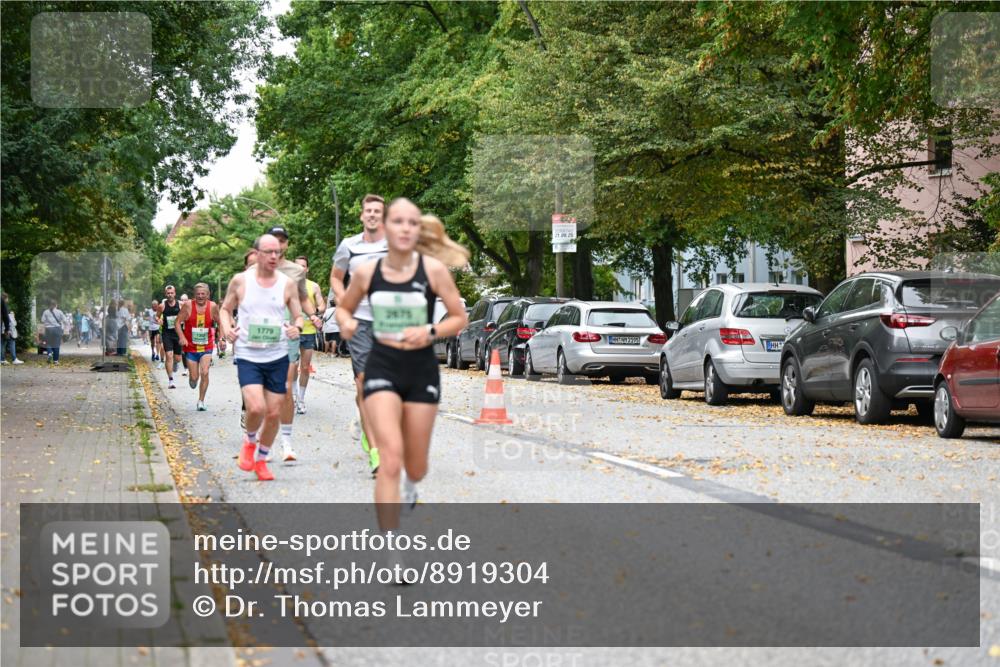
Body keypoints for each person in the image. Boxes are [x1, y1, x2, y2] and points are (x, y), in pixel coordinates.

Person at [336, 199, 468, 534]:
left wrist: (430, 331)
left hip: (421, 369)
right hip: (382, 366)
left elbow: (459, 317)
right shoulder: (367, 272)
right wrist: (346, 323)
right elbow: (345, 308)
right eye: (398, 221)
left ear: (418, 229)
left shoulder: (433, 270)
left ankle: (411, 484)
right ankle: (391, 547)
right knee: (390, 459)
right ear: (386, 227)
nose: (405, 228)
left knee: (417, 466)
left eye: (412, 222)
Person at [219, 234, 304, 481]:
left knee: (274, 413)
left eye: (277, 252)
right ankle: (249, 441)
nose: (274, 256)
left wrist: (296, 327)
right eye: (268, 252)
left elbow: (298, 315)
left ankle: (261, 459)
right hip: (249, 353)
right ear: (257, 254)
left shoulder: (287, 284)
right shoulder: (241, 281)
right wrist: (227, 328)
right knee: (256, 407)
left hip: (277, 354)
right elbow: (225, 309)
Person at [330, 194, 390, 475]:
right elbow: (335, 277)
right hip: (360, 322)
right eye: (369, 211)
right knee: (365, 384)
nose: (373, 215)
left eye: (378, 211)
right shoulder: (349, 245)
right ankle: (377, 453)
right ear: (362, 216)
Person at [263, 227, 325, 463]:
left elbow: (302, 298)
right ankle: (264, 438)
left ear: (287, 244)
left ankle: (286, 443)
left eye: (282, 240)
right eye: (274, 240)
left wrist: (313, 316)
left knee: (285, 387)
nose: (278, 244)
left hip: (288, 333)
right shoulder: (256, 268)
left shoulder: (295, 271)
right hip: (262, 334)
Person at [176, 283, 222, 411]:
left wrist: (221, 339)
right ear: (194, 295)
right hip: (191, 347)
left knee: (205, 372)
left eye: (203, 294)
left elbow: (220, 323)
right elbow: (177, 322)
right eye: (198, 294)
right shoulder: (188, 306)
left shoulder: (212, 306)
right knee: (194, 378)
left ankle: (201, 401)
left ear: (208, 295)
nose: (200, 296)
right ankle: (192, 379)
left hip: (206, 346)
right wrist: (182, 337)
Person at [293, 256, 325, 414]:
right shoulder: (287, 285)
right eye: (297, 266)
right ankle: (293, 396)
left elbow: (322, 305)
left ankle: (301, 399)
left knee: (305, 367)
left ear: (307, 269)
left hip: (309, 331)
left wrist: (315, 312)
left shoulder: (313, 286)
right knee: (292, 366)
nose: (300, 269)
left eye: (303, 266)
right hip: (292, 331)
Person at [157, 286, 182, 388]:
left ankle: (176, 363)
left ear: (175, 293)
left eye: (171, 293)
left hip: (178, 333)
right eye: (168, 293)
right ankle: (171, 380)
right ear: (165, 294)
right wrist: (158, 320)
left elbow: (187, 315)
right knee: (169, 355)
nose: (170, 295)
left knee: (178, 358)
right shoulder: (162, 306)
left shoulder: (181, 304)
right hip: (167, 333)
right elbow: (157, 316)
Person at [41, 300, 67, 364]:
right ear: (56, 305)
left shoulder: (46, 312)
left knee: (48, 343)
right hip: (57, 329)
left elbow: (42, 320)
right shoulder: (59, 312)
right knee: (56, 344)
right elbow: (65, 320)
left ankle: (49, 353)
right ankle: (56, 361)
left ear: (49, 305)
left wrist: (48, 322)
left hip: (48, 329)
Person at [1, 293, 23, 365]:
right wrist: (7, 329)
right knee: (12, 341)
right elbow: (9, 320)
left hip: (1, 327)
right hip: (6, 328)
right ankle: (14, 359)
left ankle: (2, 359)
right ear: (6, 298)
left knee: (2, 343)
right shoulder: (4, 305)